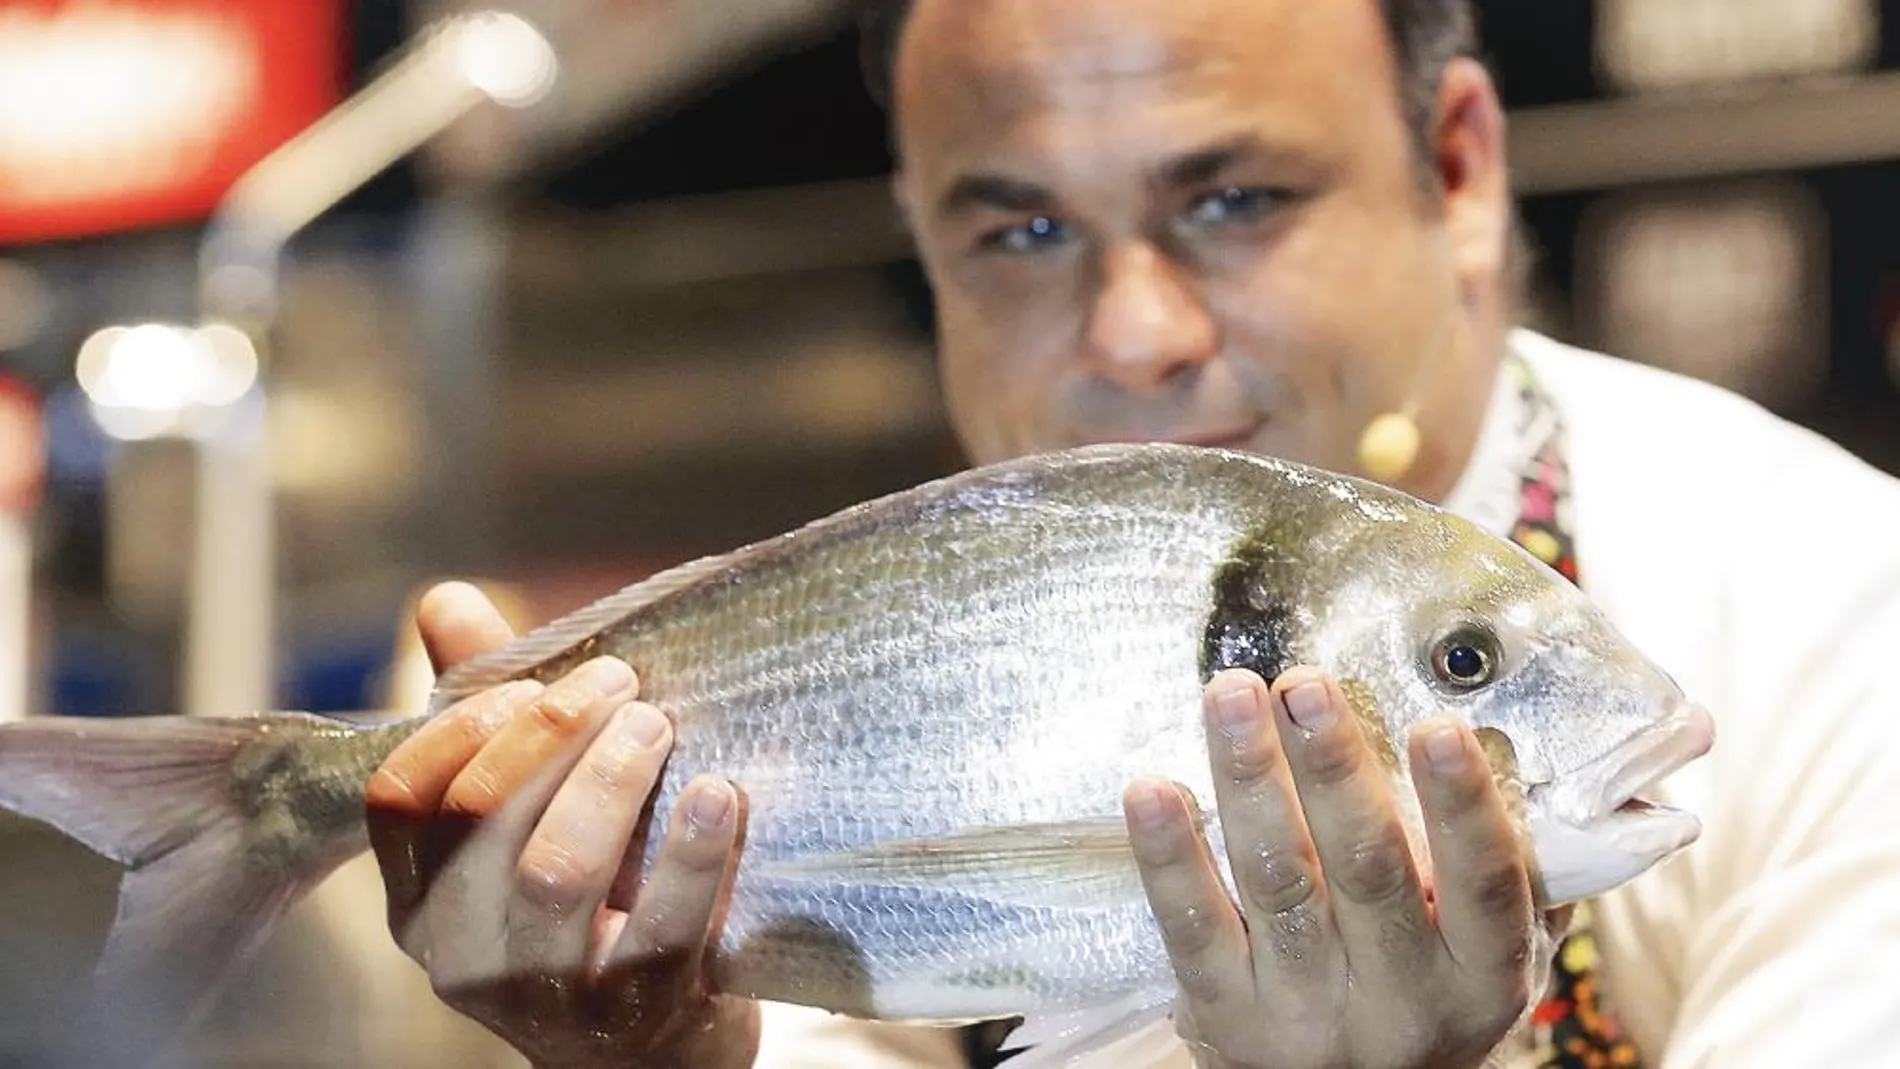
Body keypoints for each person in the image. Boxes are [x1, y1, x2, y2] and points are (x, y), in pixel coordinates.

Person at [362, 1, 1900, 1066]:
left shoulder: (1841, 624)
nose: (1136, 335)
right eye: (1021, 231)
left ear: (1459, 170)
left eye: (1233, 198)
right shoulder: (894, 650)